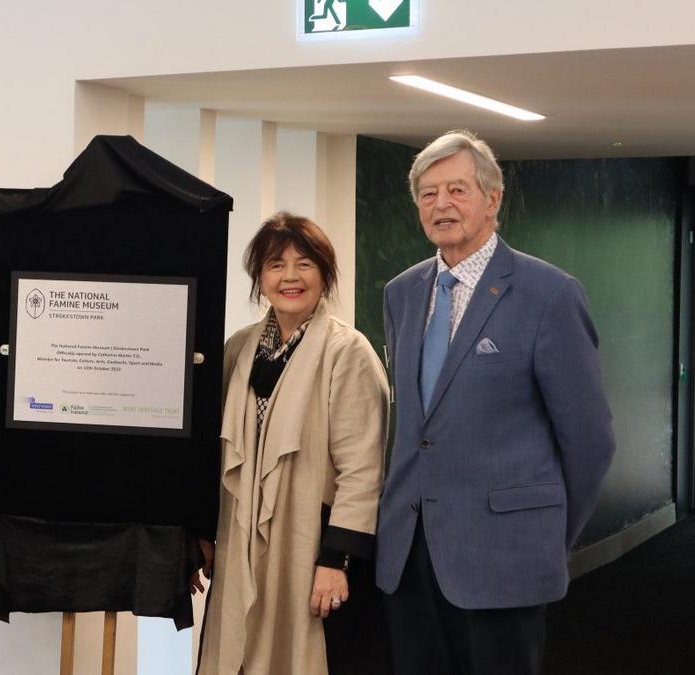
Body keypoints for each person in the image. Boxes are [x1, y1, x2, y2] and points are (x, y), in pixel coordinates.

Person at [378, 130, 616, 675]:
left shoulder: (549, 294)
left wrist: (543, 534)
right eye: (429, 193)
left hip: (505, 559)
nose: (441, 205)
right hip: (410, 558)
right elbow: (418, 425)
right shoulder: (402, 292)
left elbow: (590, 441)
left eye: (457, 190)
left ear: (492, 199)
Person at [197, 212, 390, 675]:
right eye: (275, 264)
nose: (289, 277)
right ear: (259, 276)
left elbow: (363, 470)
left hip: (311, 546)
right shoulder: (239, 349)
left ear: (324, 274)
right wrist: (202, 534)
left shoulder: (347, 351)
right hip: (241, 541)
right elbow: (214, 453)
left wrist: (335, 560)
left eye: (304, 264)